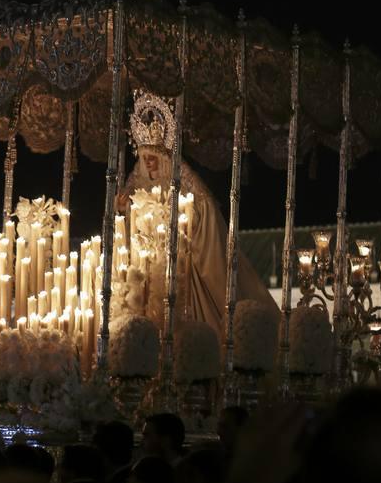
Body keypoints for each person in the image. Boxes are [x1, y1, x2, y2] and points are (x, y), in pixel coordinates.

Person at [117, 90, 277, 341]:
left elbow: (204, 212)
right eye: (143, 156)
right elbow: (129, 221)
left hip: (183, 268)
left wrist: (181, 223)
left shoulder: (183, 180)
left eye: (153, 156)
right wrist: (123, 209)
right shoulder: (137, 181)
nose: (148, 163)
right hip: (145, 270)